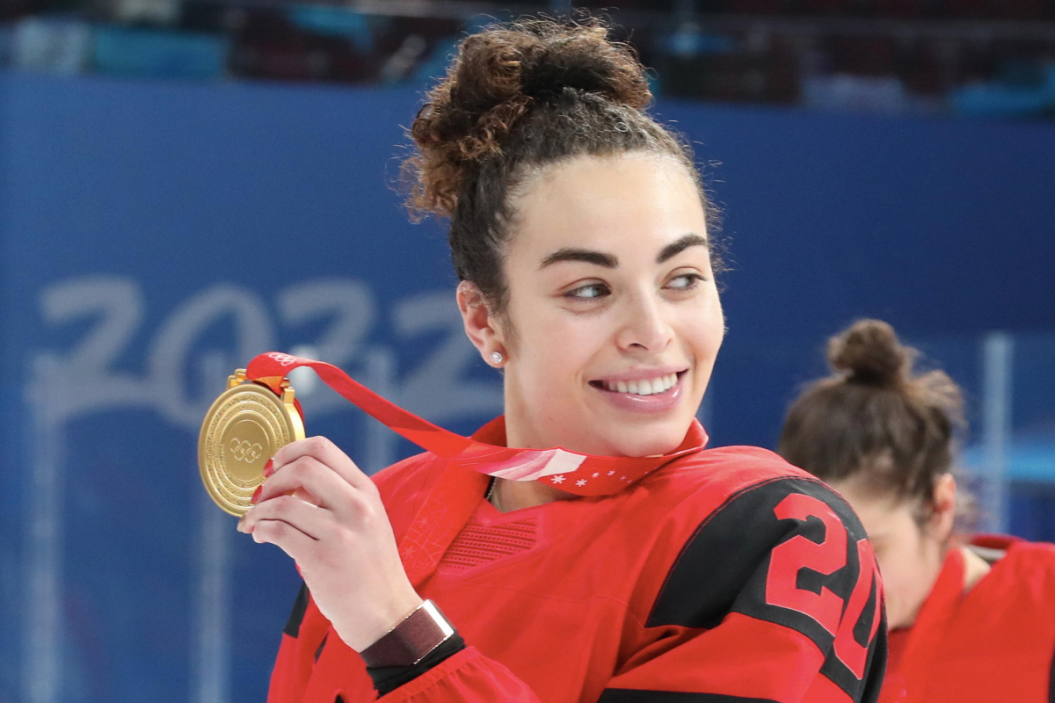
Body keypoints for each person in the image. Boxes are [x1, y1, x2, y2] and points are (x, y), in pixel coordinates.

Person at [239, 18, 886, 703]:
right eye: (588, 290)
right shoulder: (383, 520)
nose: (651, 330)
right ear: (485, 319)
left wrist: (397, 630)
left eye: (682, 278)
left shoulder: (773, 532)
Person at [779, 319, 1055, 703]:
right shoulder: (780, 641)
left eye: (869, 552)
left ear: (940, 507)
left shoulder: (1045, 605)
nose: (842, 588)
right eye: (818, 557)